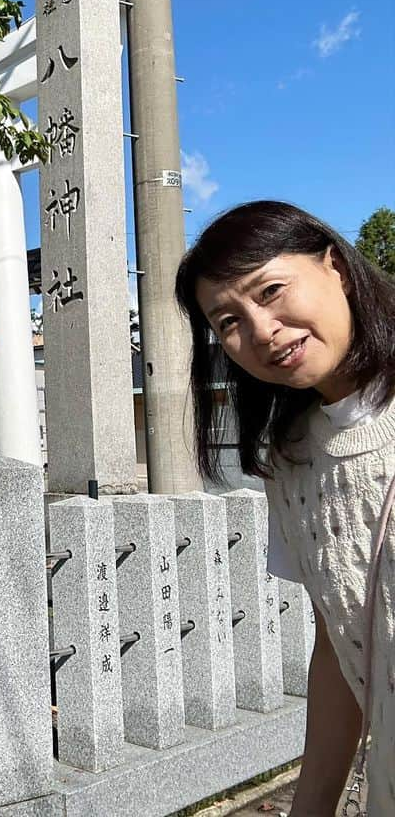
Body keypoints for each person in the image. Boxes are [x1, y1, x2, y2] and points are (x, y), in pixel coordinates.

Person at [175, 200, 395, 817]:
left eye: (271, 290)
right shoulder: (294, 460)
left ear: (336, 268)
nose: (262, 329)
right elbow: (342, 639)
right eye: (228, 321)